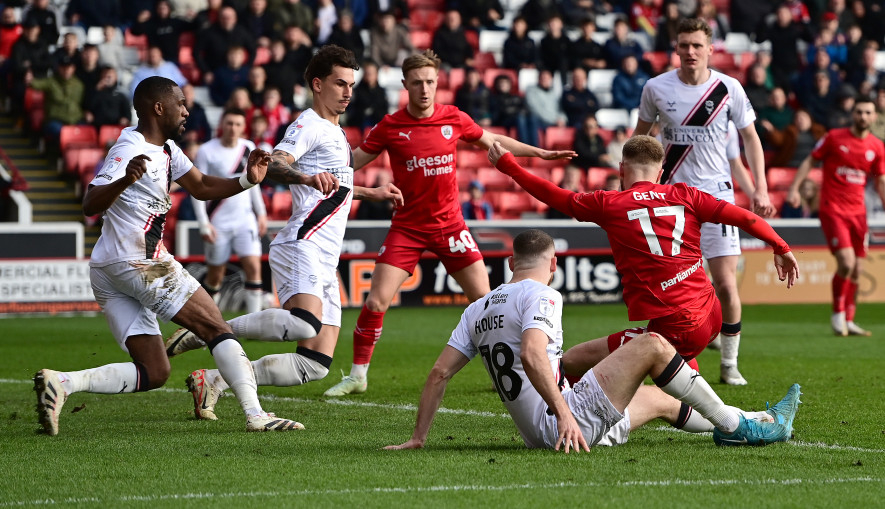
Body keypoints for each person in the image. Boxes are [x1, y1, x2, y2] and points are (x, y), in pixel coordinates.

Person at [33, 76, 302, 436]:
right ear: (158, 108)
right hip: (140, 264)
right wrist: (124, 181)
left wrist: (246, 180)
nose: (186, 110)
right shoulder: (130, 147)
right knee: (215, 326)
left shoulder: (169, 150)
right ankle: (256, 414)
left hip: (109, 269)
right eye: (180, 103)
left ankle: (63, 383)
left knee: (154, 371)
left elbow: (203, 186)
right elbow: (89, 203)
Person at [384, 229, 800, 452]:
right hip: (565, 423)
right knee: (654, 344)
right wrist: (564, 413)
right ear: (554, 264)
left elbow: (439, 373)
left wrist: (419, 437)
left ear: (511, 263)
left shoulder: (477, 309)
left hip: (542, 430)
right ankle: (738, 428)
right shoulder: (543, 294)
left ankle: (754, 421)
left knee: (660, 399)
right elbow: (531, 354)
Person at [163, 45, 403, 422]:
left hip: (325, 255)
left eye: (352, 85)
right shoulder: (308, 124)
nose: (347, 92)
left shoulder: (337, 134)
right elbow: (275, 163)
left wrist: (370, 191)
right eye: (340, 83)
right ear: (317, 84)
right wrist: (305, 176)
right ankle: (208, 330)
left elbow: (334, 182)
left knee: (315, 363)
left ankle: (214, 380)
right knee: (304, 323)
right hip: (302, 243)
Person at [323, 49, 576, 396]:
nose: (424, 89)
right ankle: (357, 376)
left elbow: (494, 142)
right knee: (375, 302)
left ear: (437, 82)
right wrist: (316, 172)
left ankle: (500, 371)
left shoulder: (453, 118)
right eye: (416, 83)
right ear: (405, 85)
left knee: (487, 302)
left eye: (429, 81)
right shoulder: (391, 126)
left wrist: (540, 153)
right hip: (407, 227)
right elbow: (350, 163)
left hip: (451, 226)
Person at [490, 135, 799, 385]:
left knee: (571, 361)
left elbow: (555, 195)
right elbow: (745, 217)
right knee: (675, 362)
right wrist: (780, 246)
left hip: (676, 327)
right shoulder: (687, 195)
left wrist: (509, 166)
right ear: (661, 172)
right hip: (711, 314)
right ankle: (698, 388)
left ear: (621, 169)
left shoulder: (608, 203)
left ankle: (572, 416)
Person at [633, 18, 775, 386]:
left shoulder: (729, 88)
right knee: (673, 286)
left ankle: (729, 364)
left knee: (726, 283)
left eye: (697, 45)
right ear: (676, 48)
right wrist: (633, 184)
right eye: (684, 45)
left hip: (716, 197)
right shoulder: (656, 88)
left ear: (711, 49)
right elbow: (639, 142)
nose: (690, 52)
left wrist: (760, 187)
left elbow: (751, 140)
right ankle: (679, 364)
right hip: (672, 203)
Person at [787, 96, 885, 337]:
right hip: (833, 209)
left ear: (874, 117)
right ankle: (837, 315)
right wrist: (793, 188)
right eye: (859, 112)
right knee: (847, 263)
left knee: (857, 270)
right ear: (853, 114)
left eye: (867, 113)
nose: (863, 116)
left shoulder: (876, 146)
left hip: (859, 213)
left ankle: (849, 320)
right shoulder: (834, 138)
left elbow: (880, 180)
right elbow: (810, 160)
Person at [191, 108, 267, 315]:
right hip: (218, 222)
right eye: (229, 123)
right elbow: (197, 187)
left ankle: (254, 322)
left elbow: (254, 184)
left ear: (244, 128)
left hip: (245, 220)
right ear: (221, 125)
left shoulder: (249, 148)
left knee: (253, 267)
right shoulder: (207, 150)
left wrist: (260, 213)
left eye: (237, 124)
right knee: (215, 275)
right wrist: (203, 222)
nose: (233, 128)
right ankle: (210, 322)